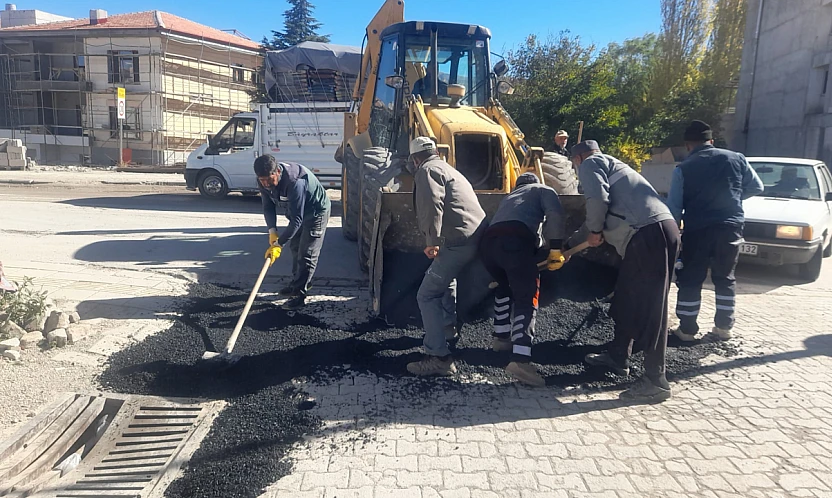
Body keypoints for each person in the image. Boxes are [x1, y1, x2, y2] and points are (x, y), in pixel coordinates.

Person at [573, 140, 681, 403]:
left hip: (647, 234)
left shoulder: (591, 162)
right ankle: (618, 356)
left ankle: (656, 381)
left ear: (577, 158)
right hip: (659, 229)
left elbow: (597, 199)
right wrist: (574, 242)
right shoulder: (617, 166)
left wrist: (595, 231)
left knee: (651, 306)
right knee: (628, 296)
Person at [666, 120, 764, 341]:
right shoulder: (737, 158)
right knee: (725, 277)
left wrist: (672, 233)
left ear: (688, 145)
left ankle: (687, 330)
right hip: (730, 227)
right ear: (711, 141)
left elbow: (674, 208)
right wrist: (733, 198)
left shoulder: (683, 168)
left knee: (691, 277)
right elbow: (757, 186)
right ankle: (723, 328)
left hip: (698, 230)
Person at [406, 137, 487, 376]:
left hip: (458, 242)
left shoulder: (427, 170)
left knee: (426, 295)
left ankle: (439, 357)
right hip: (476, 236)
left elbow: (432, 205)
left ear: (415, 159)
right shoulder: (449, 169)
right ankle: (447, 328)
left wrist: (431, 241)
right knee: (446, 279)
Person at [479, 173, 567, 386]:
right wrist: (555, 248)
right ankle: (521, 360)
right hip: (515, 242)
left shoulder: (508, 198)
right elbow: (555, 214)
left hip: (488, 246)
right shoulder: (543, 190)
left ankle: (501, 339)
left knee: (504, 287)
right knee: (526, 298)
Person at [255, 154, 331, 311]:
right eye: (262, 180)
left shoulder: (294, 182)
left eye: (269, 180)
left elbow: (297, 220)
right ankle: (298, 283)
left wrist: (278, 244)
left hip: (316, 212)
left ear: (277, 172)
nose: (266, 184)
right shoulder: (262, 180)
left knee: (307, 253)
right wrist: (272, 231)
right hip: (296, 211)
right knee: (296, 248)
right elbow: (268, 206)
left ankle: (299, 294)